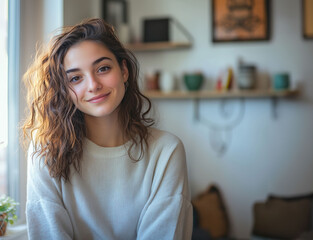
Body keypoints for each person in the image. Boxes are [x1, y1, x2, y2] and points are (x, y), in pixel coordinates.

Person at [22, 18, 193, 240]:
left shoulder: (166, 151)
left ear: (124, 71)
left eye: (102, 68)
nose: (93, 85)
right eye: (75, 78)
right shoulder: (45, 151)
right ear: (64, 90)